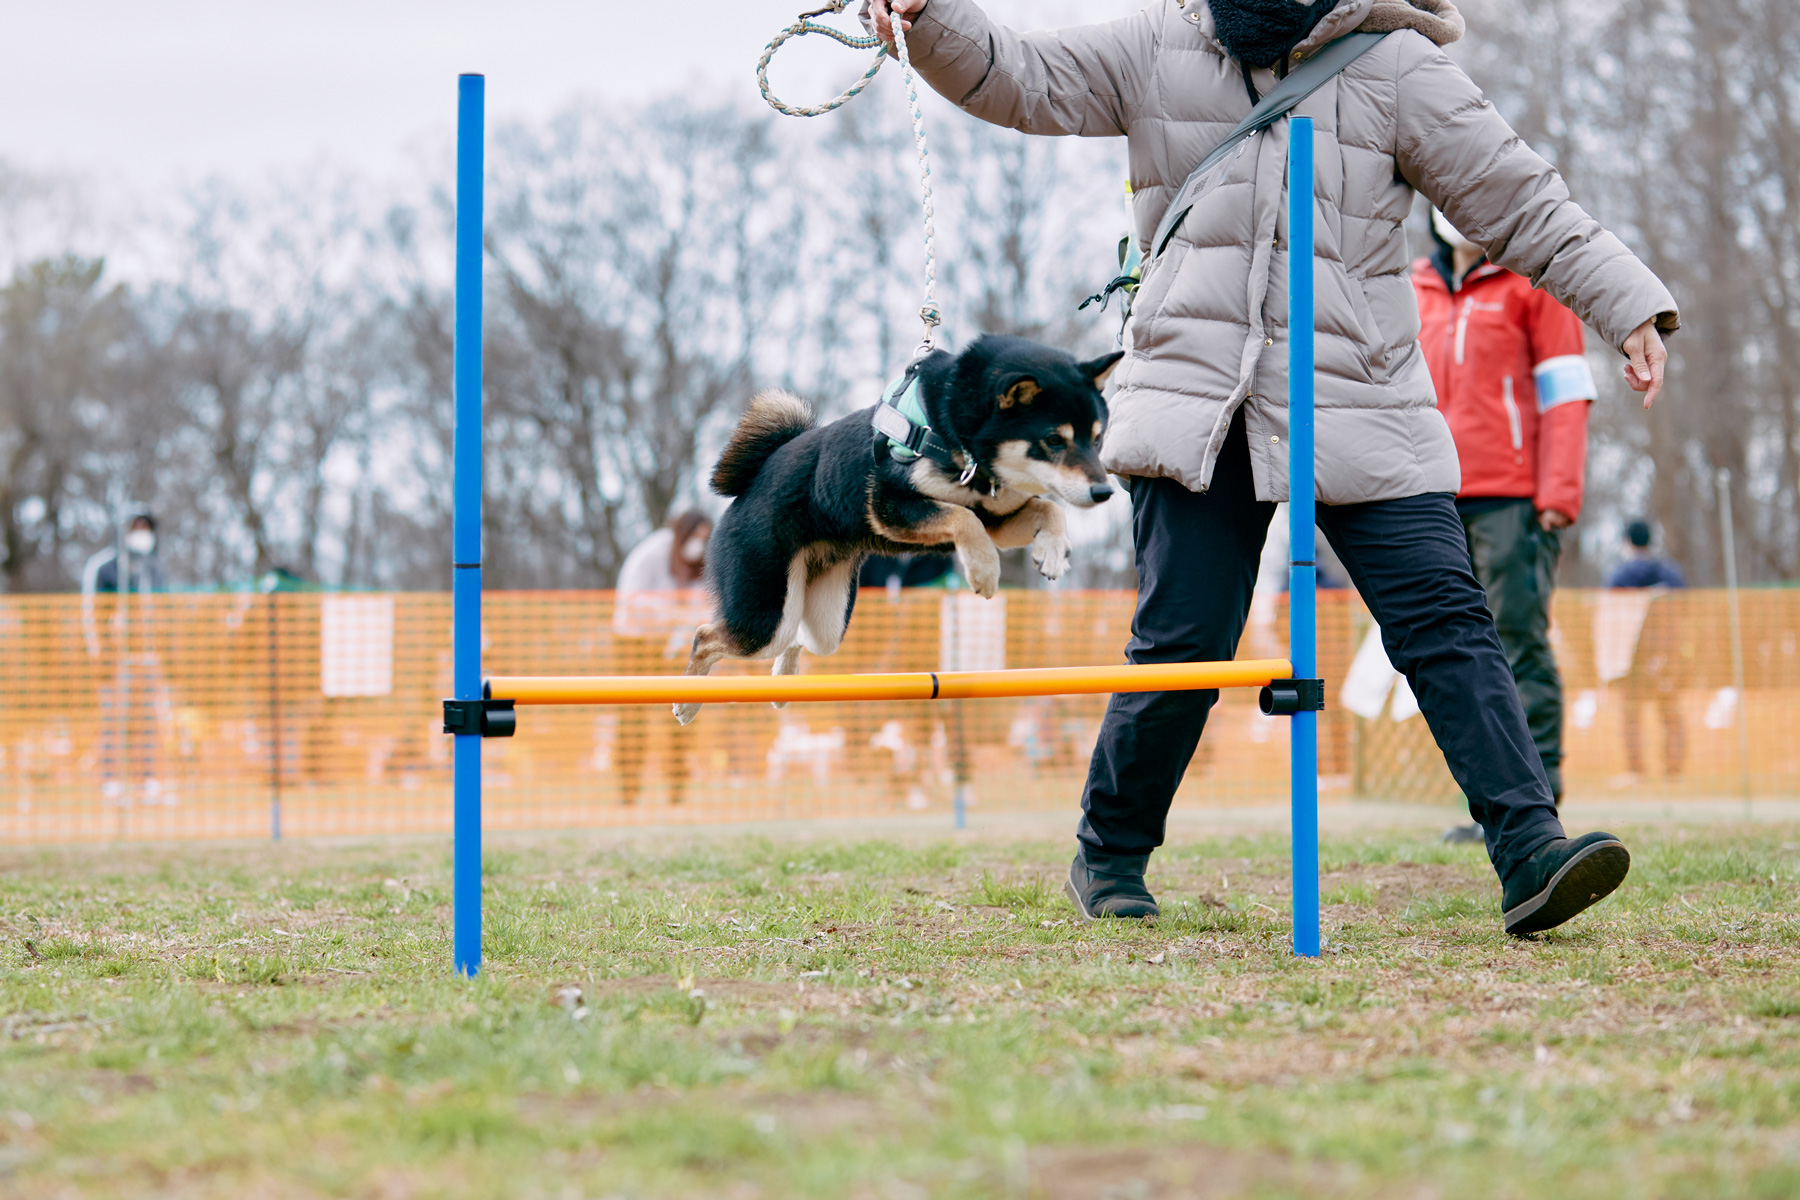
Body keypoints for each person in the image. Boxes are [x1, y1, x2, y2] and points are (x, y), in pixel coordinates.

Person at [869, 0, 1677, 936]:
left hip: (1362, 392)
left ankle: (1532, 850)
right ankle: (1111, 855)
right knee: (1183, 646)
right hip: (1195, 394)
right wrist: (929, 18)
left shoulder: (1397, 62)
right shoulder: (1156, 41)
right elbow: (1019, 75)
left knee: (1447, 619)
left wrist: (1626, 302)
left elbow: (1518, 198)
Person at [1417, 209, 1596, 841]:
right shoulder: (1410, 284)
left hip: (1515, 500)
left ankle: (1536, 809)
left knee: (1517, 641)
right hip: (1430, 494)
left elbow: (1566, 394)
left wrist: (1559, 493)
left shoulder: (1533, 284)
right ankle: (1492, 805)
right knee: (1456, 653)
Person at [612, 512, 713, 804]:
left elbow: (701, 608)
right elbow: (630, 599)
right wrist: (672, 612)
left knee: (681, 714)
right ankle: (629, 792)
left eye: (704, 539)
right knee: (632, 719)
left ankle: (677, 792)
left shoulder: (701, 566)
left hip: (674, 645)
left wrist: (683, 623)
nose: (698, 544)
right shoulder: (653, 551)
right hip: (634, 641)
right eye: (695, 536)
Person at [81, 510, 174, 805]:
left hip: (148, 659)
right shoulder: (104, 567)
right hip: (115, 660)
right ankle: (111, 781)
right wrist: (100, 654)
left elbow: (163, 614)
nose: (141, 532)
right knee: (113, 722)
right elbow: (91, 614)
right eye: (136, 527)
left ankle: (147, 779)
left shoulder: (155, 568)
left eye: (145, 527)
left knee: (148, 722)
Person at [1607, 520, 1687, 782]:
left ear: (1627, 542)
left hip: (1632, 660)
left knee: (1631, 716)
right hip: (1669, 654)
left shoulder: (1619, 577)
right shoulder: (1671, 574)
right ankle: (1673, 772)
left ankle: (1635, 771)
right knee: (1671, 714)